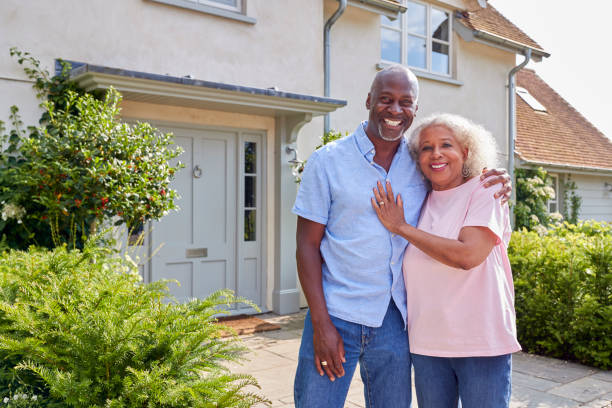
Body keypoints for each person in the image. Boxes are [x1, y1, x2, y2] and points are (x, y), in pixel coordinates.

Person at [292, 65, 511, 408]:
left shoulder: (420, 163)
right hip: (337, 313)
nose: (395, 110)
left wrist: (495, 175)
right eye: (386, 99)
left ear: (415, 109)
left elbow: (457, 178)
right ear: (368, 101)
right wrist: (321, 324)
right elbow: (306, 245)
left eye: (405, 102)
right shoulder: (327, 161)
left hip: (395, 322)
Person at [371, 113, 521, 408]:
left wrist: (402, 227)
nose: (436, 154)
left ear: (465, 152)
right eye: (426, 147)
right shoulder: (419, 199)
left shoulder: (486, 189)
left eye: (446, 145)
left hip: (481, 341)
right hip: (427, 344)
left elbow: (468, 255)